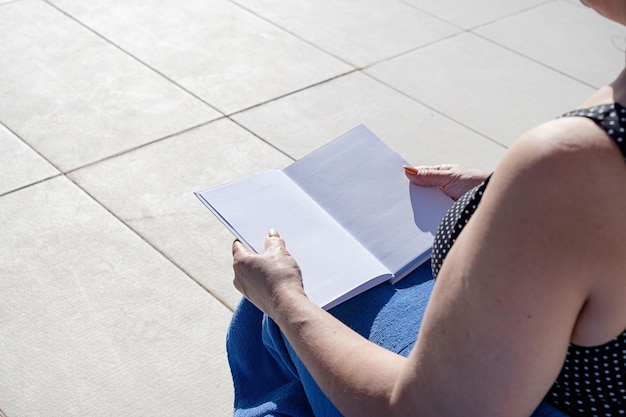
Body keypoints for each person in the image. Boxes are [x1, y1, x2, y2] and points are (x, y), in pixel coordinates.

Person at [226, 1, 626, 416]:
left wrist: (285, 300)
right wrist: (502, 196)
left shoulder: (574, 162)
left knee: (291, 296)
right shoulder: (583, 164)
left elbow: (427, 410)